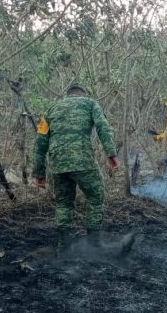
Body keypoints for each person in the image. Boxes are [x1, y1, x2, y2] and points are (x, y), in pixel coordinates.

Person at [33, 83, 119, 247]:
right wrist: (111, 154)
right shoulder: (90, 103)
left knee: (63, 203)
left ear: (68, 94)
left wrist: (39, 172)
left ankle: (62, 245)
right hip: (83, 162)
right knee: (95, 198)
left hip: (58, 165)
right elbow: (103, 127)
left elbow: (40, 142)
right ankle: (94, 245)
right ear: (83, 93)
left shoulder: (51, 109)